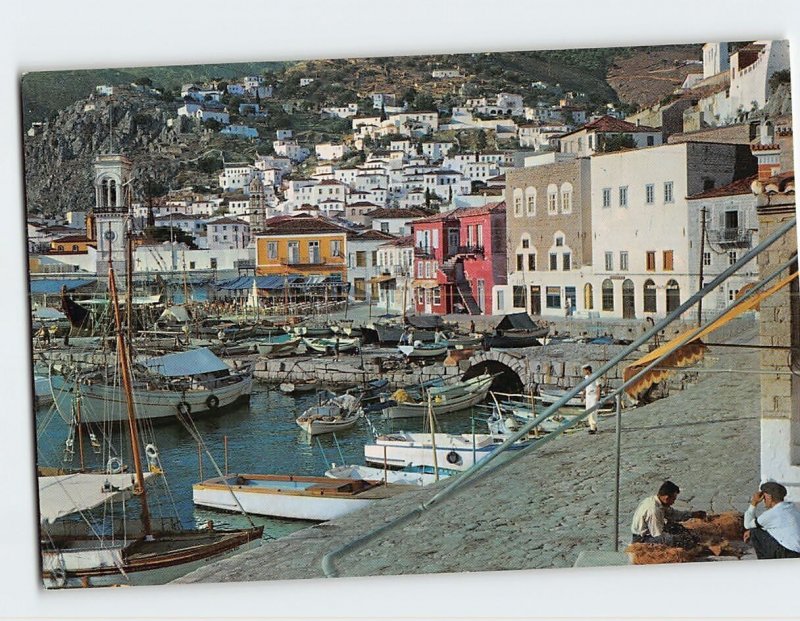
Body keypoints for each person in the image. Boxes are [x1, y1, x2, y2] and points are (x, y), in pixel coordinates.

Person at [631, 480, 706, 549]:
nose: (673, 502)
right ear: (666, 498)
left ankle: (693, 542)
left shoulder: (659, 501)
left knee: (677, 528)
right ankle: (696, 548)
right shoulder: (654, 510)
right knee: (676, 540)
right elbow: (658, 535)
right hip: (643, 539)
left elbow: (674, 514)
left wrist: (692, 514)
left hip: (653, 531)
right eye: (673, 499)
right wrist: (678, 538)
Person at [743, 481, 800, 559]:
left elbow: (747, 525)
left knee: (754, 531)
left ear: (769, 497)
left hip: (787, 553)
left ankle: (766, 563)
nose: (763, 501)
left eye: (764, 498)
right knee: (757, 528)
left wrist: (754, 503)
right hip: (796, 552)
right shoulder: (792, 507)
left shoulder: (772, 513)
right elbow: (771, 526)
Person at [581, 364, 601, 434]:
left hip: (593, 396)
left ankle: (593, 427)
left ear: (587, 370)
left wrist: (598, 396)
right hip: (588, 396)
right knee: (588, 411)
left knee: (593, 411)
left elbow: (598, 386)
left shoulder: (595, 376)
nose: (583, 372)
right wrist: (583, 395)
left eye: (584, 370)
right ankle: (592, 426)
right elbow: (586, 386)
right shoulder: (586, 377)